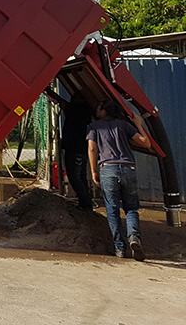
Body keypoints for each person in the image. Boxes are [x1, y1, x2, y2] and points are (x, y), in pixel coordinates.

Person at [86, 100, 151, 261]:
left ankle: (120, 248)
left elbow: (92, 148)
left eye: (98, 107)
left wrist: (94, 171)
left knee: (113, 211)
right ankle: (134, 239)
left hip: (108, 169)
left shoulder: (94, 127)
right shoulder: (124, 126)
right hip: (128, 169)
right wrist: (138, 124)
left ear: (103, 112)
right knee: (131, 209)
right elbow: (146, 143)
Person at [60, 92, 94, 211]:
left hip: (73, 148)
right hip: (83, 148)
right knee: (82, 176)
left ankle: (85, 203)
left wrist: (46, 90)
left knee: (74, 177)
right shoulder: (87, 111)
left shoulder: (72, 109)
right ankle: (86, 204)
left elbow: (61, 102)